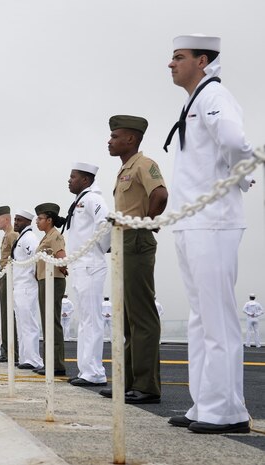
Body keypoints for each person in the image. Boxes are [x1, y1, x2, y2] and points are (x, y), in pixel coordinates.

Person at [165, 34, 255, 434]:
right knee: (201, 319)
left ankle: (225, 411)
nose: (171, 64)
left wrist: (240, 176)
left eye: (179, 57)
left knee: (216, 318)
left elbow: (235, 141)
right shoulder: (195, 98)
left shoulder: (215, 95)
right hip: (192, 221)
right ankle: (205, 404)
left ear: (202, 60)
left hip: (213, 220)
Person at [102, 114, 168, 405]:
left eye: (116, 136)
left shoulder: (144, 164)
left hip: (136, 240)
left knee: (141, 315)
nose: (110, 141)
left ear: (131, 139)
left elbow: (161, 194)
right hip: (123, 241)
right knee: (127, 316)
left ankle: (146, 386)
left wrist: (146, 221)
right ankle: (128, 382)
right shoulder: (124, 170)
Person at [65, 162, 111, 387]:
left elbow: (105, 223)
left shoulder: (93, 198)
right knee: (84, 320)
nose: (69, 180)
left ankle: (95, 372)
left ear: (85, 179)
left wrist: (100, 249)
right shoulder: (79, 200)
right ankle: (86, 370)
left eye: (73, 177)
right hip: (80, 265)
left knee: (92, 320)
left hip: (91, 264)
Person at [34, 202, 68, 376]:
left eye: (40, 219)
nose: (37, 222)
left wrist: (62, 269)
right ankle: (50, 362)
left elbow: (62, 258)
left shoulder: (54, 236)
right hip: (45, 280)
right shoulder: (47, 236)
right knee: (47, 322)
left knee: (52, 322)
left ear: (49, 219)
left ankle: (56, 364)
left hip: (52, 280)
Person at [11, 209, 43, 370]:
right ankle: (25, 356)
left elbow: (35, 259)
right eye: (15, 219)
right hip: (19, 285)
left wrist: (33, 277)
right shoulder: (21, 238)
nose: (15, 222)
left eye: (19, 220)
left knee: (29, 323)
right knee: (21, 323)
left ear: (27, 222)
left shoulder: (29, 238)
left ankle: (33, 359)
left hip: (27, 285)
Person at [0, 206, 19, 362]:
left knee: (8, 313)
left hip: (10, 275)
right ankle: (7, 350)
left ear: (7, 219)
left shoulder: (13, 235)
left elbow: (17, 257)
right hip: (4, 275)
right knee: (4, 313)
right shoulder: (6, 236)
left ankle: (11, 351)